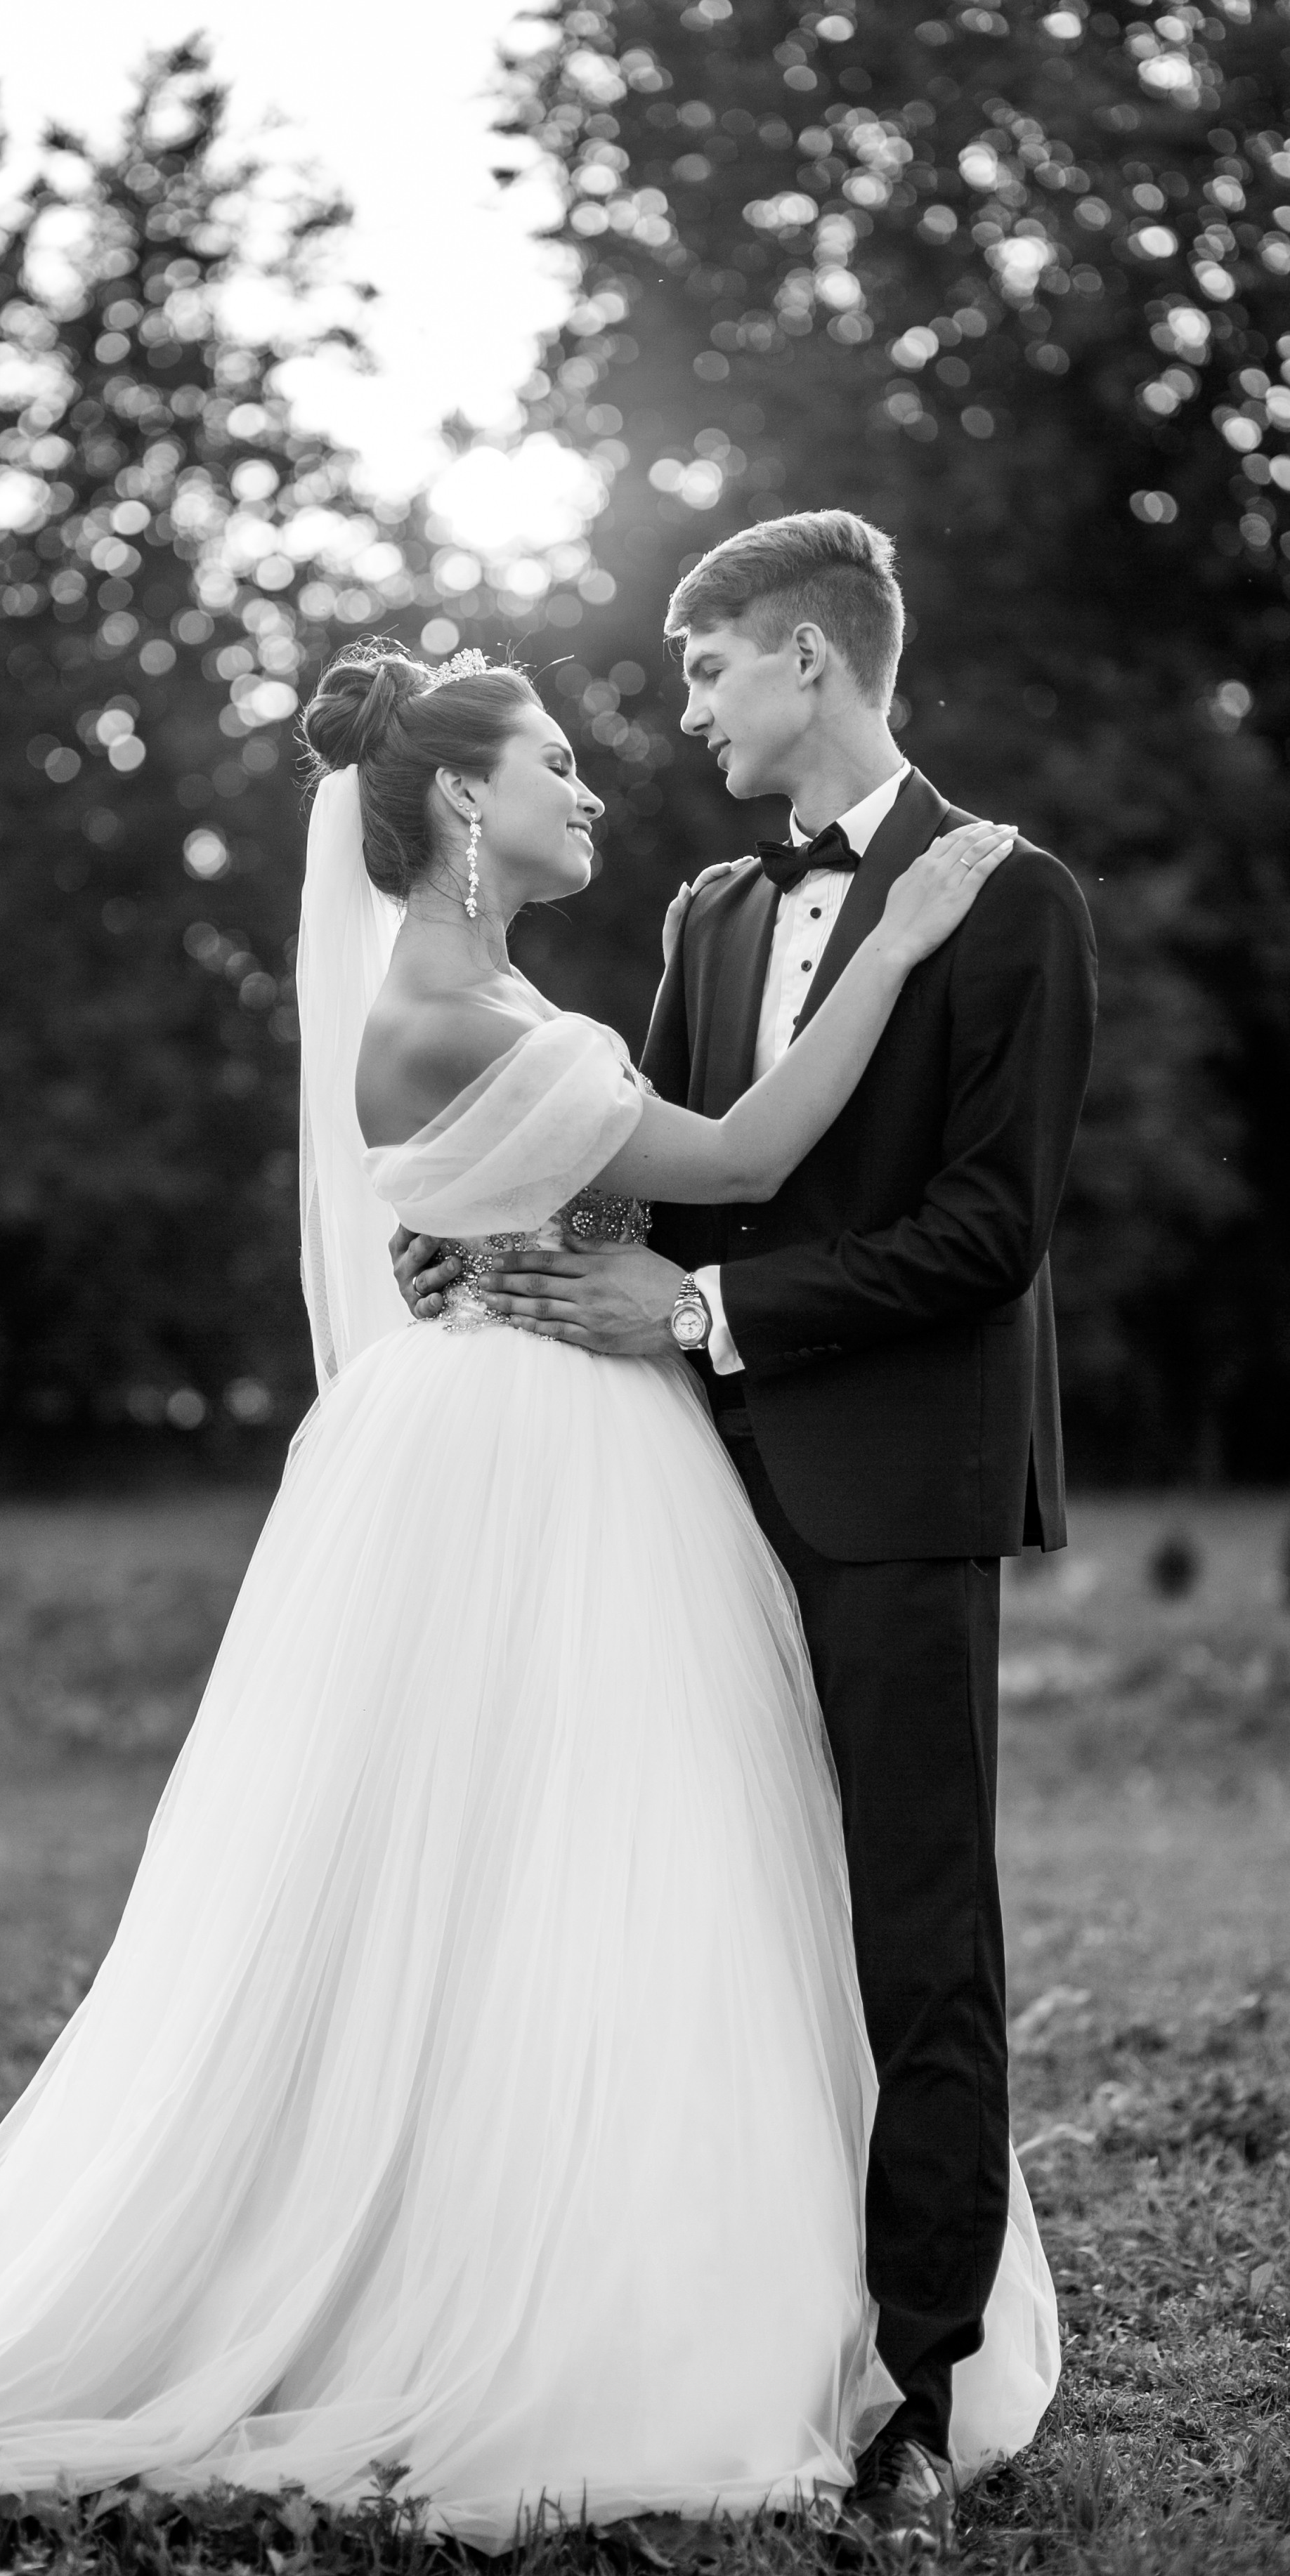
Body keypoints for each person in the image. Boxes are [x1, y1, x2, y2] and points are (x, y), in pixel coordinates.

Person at [0, 641, 1057, 2548]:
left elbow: (643, 1196)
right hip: (534, 1462)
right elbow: (751, 1151)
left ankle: (631, 2246)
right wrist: (908, 937)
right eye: (549, 761)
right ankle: (528, 2288)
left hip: (581, 1430)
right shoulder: (448, 1007)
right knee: (550, 1876)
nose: (591, 783)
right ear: (456, 800)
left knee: (596, 1876)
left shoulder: (494, 985)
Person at [396, 512, 1097, 2556]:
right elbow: (690, 1181)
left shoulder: (1013, 899)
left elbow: (993, 1231)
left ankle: (929, 2391)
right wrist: (507, 1249)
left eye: (707, 669)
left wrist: (704, 1309)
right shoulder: (708, 908)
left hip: (900, 1491)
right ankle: (728, 2328)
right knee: (721, 1920)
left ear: (808, 659)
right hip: (694, 1497)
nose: (686, 708)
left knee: (914, 1928)